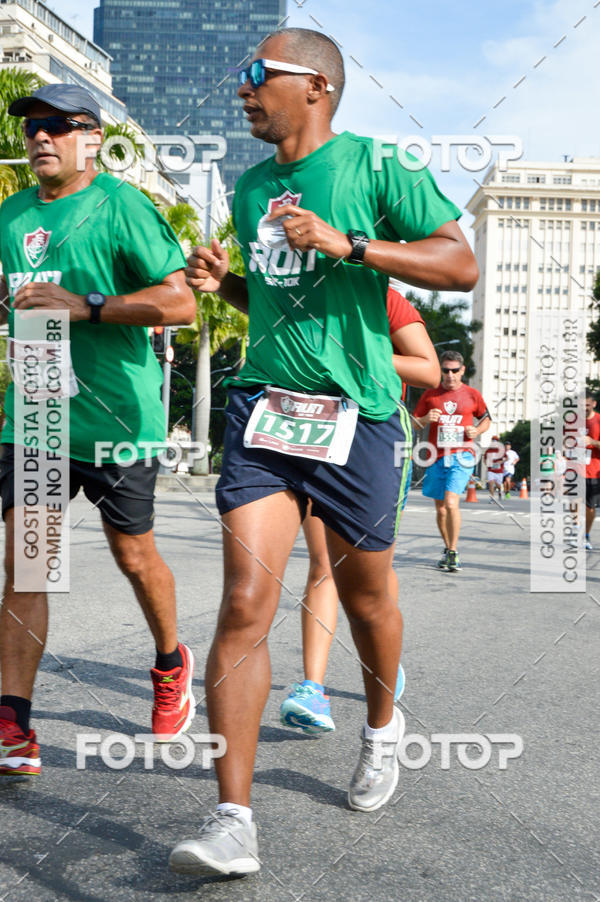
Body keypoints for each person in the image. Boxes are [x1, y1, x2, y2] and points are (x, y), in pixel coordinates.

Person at [170, 27, 477, 877]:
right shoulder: (251, 188)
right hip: (266, 411)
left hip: (358, 417)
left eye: (255, 73)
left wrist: (351, 244)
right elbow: (277, 297)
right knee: (244, 601)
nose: (242, 88)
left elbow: (460, 265)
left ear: (315, 85)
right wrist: (223, 285)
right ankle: (233, 820)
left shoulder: (378, 166)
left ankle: (382, 726)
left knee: (367, 598)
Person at [0, 84, 197, 778]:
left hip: (119, 418)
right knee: (28, 562)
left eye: (57, 125)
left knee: (134, 557)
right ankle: (13, 724)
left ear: (92, 138)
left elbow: (180, 303)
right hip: (37, 415)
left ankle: (170, 662)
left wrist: (85, 306)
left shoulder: (122, 204)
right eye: (32, 126)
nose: (40, 137)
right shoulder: (11, 213)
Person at [280, 285, 440, 733]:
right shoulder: (295, 292)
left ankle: (383, 649)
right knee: (322, 566)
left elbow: (425, 370)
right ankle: (312, 689)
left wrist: (357, 353)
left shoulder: (385, 299)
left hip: (372, 438)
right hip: (311, 430)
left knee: (373, 572)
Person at [413, 350, 490, 572]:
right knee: (441, 510)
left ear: (462, 370)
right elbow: (414, 423)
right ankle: (448, 549)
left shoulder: (472, 394)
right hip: (436, 456)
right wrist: (425, 419)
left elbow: (486, 419)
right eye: (446, 370)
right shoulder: (430, 395)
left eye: (454, 370)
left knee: (450, 503)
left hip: (462, 455)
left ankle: (454, 552)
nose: (450, 375)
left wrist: (476, 430)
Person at [584, 392, 600, 550]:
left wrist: (593, 442)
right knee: (574, 501)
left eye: (587, 405)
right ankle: (575, 528)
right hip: (575, 469)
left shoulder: (599, 420)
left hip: (594, 470)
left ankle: (586, 534)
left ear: (594, 404)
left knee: (590, 506)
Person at [484, 436, 504, 502]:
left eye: (495, 441)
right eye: (493, 441)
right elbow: (484, 459)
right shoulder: (488, 450)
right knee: (491, 483)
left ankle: (500, 491)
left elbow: (506, 458)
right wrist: (487, 464)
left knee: (498, 485)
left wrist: (500, 462)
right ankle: (492, 498)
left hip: (499, 471)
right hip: (491, 470)